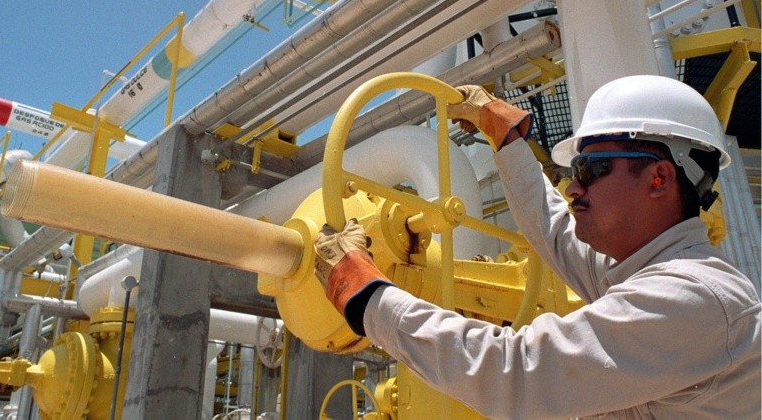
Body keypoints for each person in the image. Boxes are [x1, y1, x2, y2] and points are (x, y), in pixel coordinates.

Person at [313, 75, 761, 418]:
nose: (573, 188)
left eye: (591, 169)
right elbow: (554, 228)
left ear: (659, 178)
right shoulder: (643, 273)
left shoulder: (693, 296)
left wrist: (365, 294)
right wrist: (506, 139)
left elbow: (516, 370)